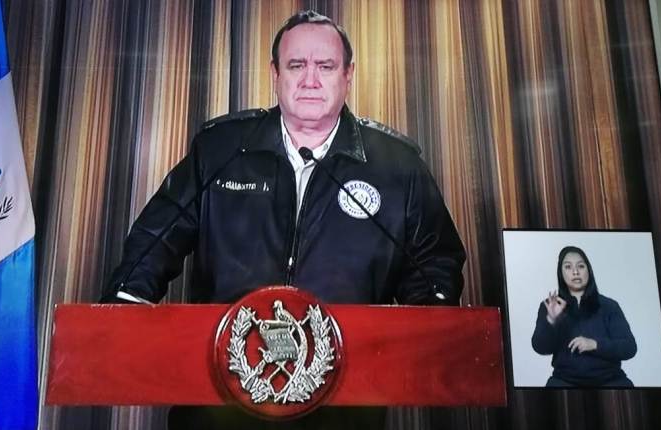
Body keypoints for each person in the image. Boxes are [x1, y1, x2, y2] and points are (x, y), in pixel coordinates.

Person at [104, 10, 466, 428]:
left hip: (345, 410)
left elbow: (435, 270)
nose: (310, 79)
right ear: (275, 73)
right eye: (296, 65)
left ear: (348, 74)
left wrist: (428, 335)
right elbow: (152, 245)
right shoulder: (221, 149)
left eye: (325, 66)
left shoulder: (397, 166)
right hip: (220, 405)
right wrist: (119, 320)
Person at [531, 246, 637, 387]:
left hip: (610, 380)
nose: (575, 272)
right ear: (561, 273)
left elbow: (629, 347)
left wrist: (595, 345)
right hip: (565, 381)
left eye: (580, 266)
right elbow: (540, 348)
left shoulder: (609, 306)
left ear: (589, 270)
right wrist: (551, 320)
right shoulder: (551, 305)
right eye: (568, 267)